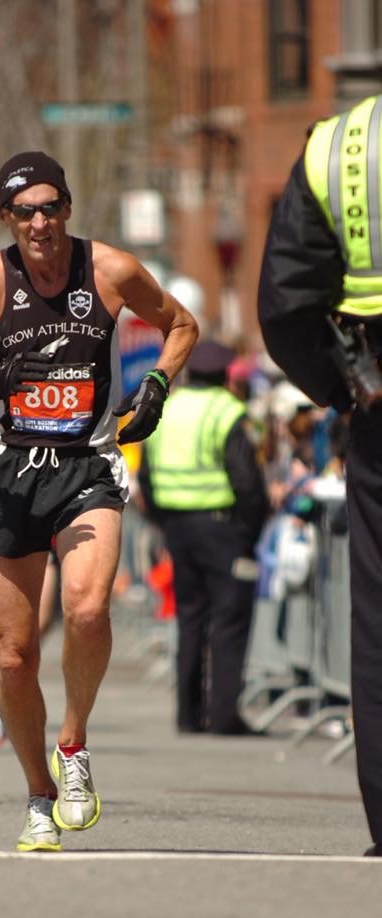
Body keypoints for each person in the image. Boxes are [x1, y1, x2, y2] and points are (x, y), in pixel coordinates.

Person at [0, 151, 198, 851]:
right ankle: (38, 797)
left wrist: (158, 386)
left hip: (88, 465)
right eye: (25, 212)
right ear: (6, 218)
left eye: (51, 207)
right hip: (13, 471)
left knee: (86, 608)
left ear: (68, 209)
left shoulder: (109, 269)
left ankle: (73, 744)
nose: (40, 222)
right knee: (14, 655)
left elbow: (181, 325)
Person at [257, 93, 382, 856]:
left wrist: (344, 390)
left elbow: (285, 303)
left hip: (380, 396)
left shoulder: (341, 144)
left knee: (377, 616)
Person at [138, 339, 269, 734]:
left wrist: (163, 522)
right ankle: (224, 715)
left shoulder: (168, 409)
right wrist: (249, 533)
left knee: (190, 617)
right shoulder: (227, 411)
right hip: (223, 527)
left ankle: (188, 714)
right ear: (225, 374)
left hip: (178, 528)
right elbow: (247, 482)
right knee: (229, 619)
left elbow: (146, 477)